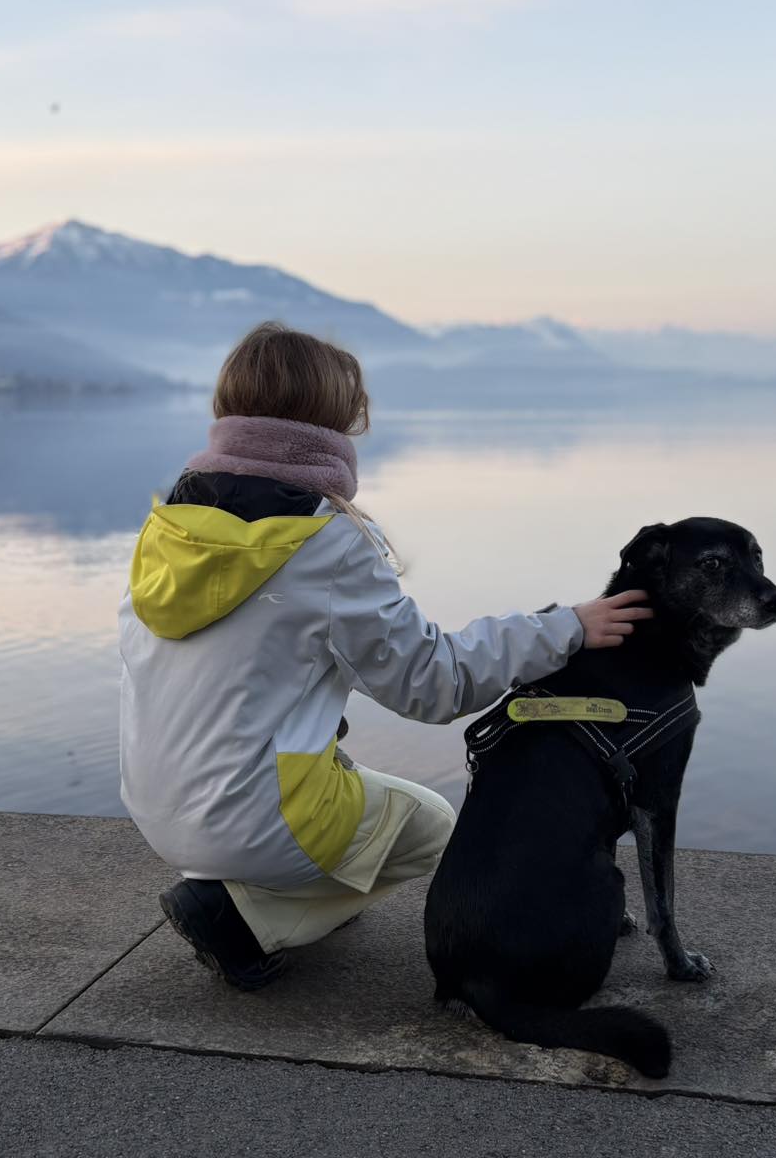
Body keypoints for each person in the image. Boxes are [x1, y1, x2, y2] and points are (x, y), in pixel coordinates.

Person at [119, 322, 651, 989]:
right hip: (248, 821)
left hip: (152, 802)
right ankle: (249, 915)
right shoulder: (323, 542)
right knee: (430, 823)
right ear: (337, 423)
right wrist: (565, 628)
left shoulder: (168, 526)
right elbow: (433, 684)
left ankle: (259, 889)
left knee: (336, 761)